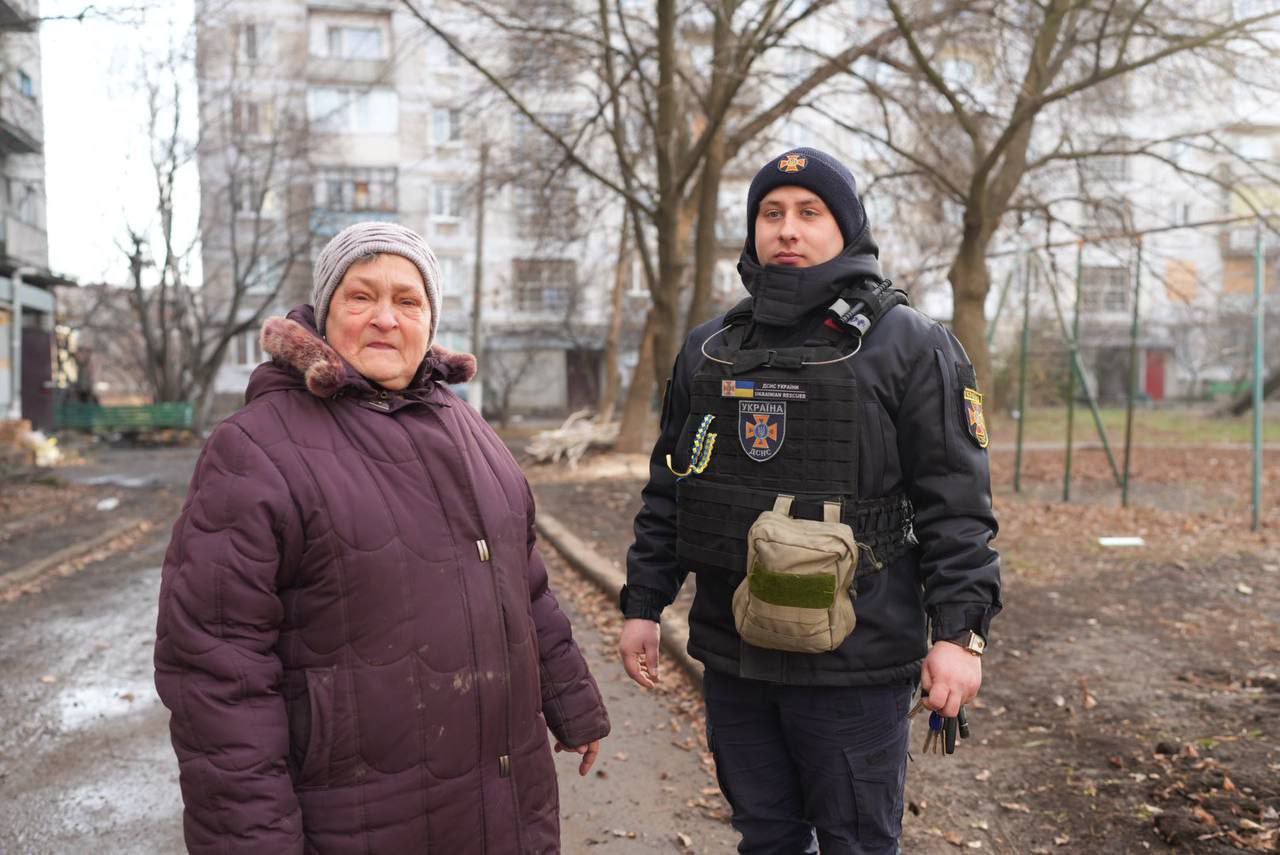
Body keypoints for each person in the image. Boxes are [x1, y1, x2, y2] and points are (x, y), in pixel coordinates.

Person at [155, 221, 610, 854]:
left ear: (430, 319)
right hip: (358, 816)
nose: (386, 319)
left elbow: (524, 582)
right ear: (325, 313)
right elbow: (216, 673)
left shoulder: (468, 428)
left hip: (505, 805)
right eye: (361, 297)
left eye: (407, 301)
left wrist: (572, 702)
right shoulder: (255, 449)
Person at [617, 147, 1001, 854]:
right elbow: (672, 489)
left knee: (857, 843)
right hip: (735, 657)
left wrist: (959, 635)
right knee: (766, 838)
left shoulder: (911, 345)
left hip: (857, 665)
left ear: (845, 228)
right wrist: (644, 603)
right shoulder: (709, 350)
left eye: (808, 212)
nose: (787, 229)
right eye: (771, 213)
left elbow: (957, 508)